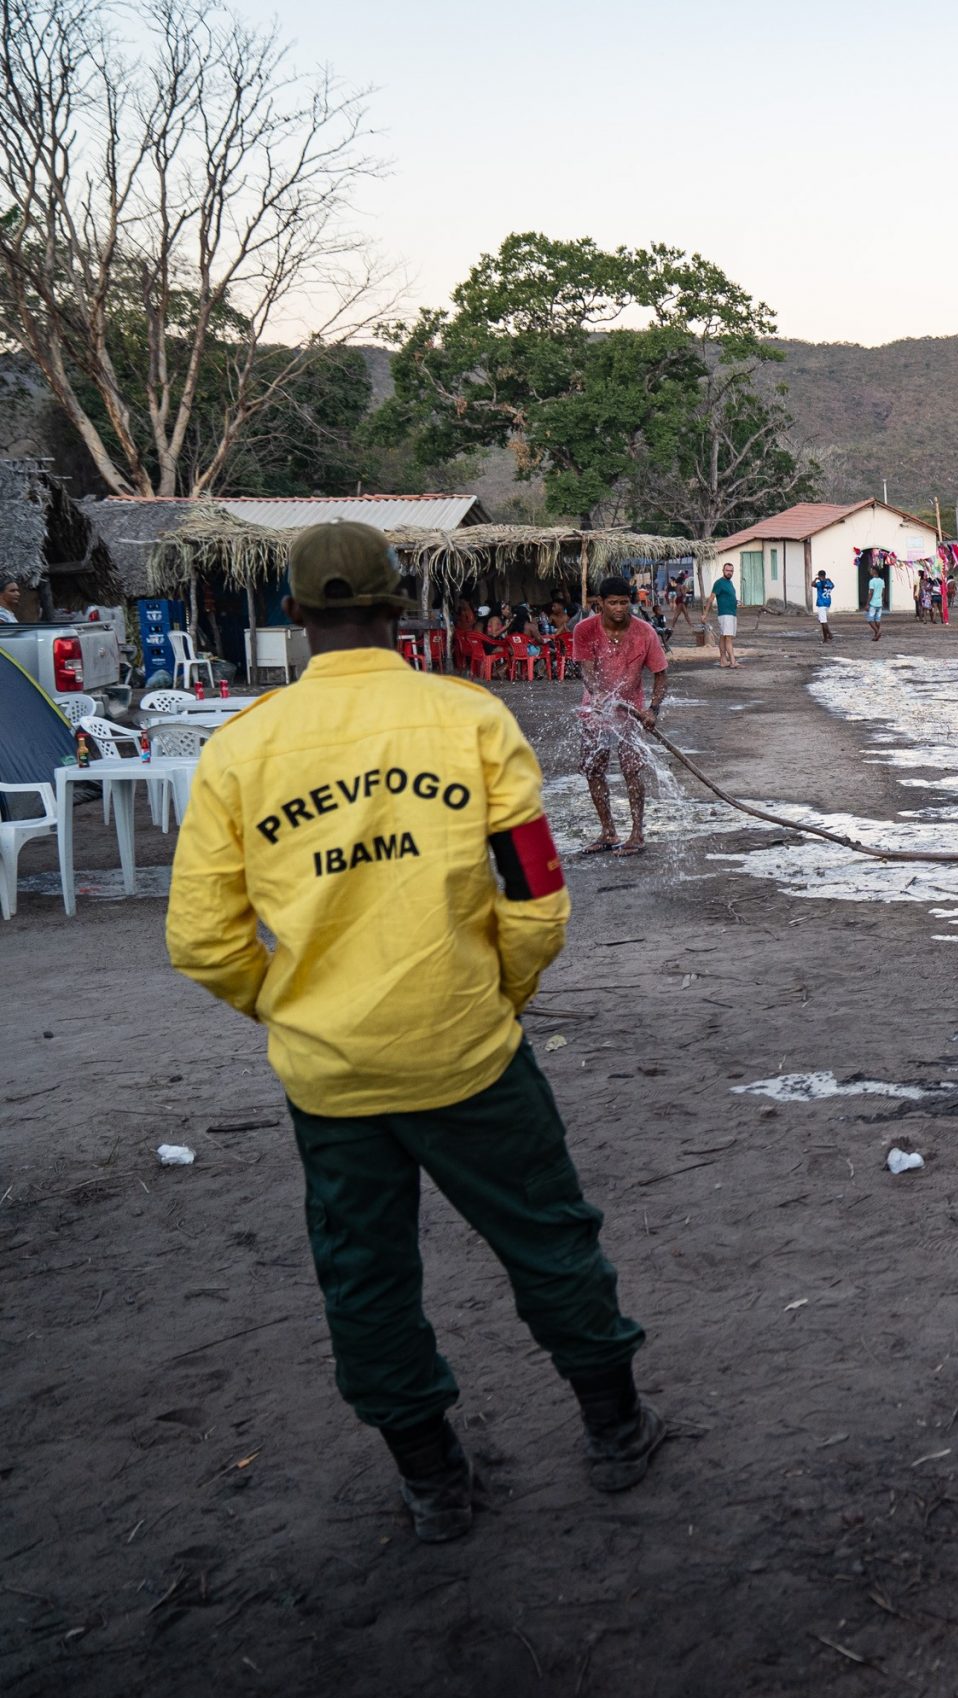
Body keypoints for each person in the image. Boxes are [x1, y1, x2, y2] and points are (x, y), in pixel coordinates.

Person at [165, 520, 659, 1546]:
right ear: (402, 610)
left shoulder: (239, 749)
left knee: (366, 1276)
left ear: (295, 618)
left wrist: (292, 1011)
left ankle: (434, 1483)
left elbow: (204, 944)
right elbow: (534, 900)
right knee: (549, 1239)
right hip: (469, 1053)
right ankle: (617, 1433)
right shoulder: (468, 720)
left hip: (330, 1079)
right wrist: (498, 996)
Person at [568, 575, 669, 858]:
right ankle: (608, 831)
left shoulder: (645, 632)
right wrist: (598, 694)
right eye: (613, 603)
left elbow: (661, 676)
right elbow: (586, 670)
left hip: (631, 712)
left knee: (632, 770)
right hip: (596, 710)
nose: (619, 609)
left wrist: (653, 709)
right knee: (593, 769)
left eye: (624, 603)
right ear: (600, 603)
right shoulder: (585, 629)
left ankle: (636, 833)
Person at [711, 564, 740, 668]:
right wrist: (704, 614)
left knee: (723, 637)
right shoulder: (719, 583)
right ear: (723, 570)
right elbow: (711, 598)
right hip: (725, 614)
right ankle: (733, 661)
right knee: (728, 637)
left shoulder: (730, 583)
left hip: (732, 613)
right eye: (727, 570)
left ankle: (723, 660)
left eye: (731, 571)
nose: (729, 572)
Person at [865, 553, 888, 643]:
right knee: (877, 619)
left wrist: (867, 604)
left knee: (870, 620)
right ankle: (876, 635)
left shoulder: (872, 581)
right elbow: (883, 592)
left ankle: (877, 632)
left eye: (871, 570)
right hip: (879, 603)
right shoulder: (882, 581)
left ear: (874, 571)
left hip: (873, 603)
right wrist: (882, 600)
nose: (870, 571)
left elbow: (871, 593)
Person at [813, 567, 835, 642]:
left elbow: (812, 585)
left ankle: (830, 634)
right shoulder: (829, 583)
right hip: (827, 603)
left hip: (821, 603)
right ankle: (825, 638)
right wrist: (829, 580)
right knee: (822, 621)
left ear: (820, 575)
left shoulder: (819, 583)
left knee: (823, 621)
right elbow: (833, 586)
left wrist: (816, 580)